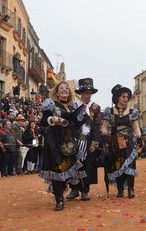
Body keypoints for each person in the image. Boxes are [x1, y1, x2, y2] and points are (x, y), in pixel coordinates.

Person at [39, 81, 87, 211]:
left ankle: (76, 189)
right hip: (54, 141)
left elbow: (77, 124)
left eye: (67, 88)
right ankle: (59, 200)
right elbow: (43, 122)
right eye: (61, 88)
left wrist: (81, 114)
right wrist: (53, 120)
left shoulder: (73, 107)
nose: (64, 90)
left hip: (69, 142)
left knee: (70, 168)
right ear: (57, 91)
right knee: (56, 170)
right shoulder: (51, 104)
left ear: (70, 92)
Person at [101, 84, 142, 199]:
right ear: (117, 98)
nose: (126, 99)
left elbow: (136, 127)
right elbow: (104, 126)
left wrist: (139, 137)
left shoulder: (132, 111)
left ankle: (131, 189)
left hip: (129, 142)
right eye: (123, 96)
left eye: (127, 96)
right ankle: (120, 189)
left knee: (129, 165)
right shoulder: (109, 111)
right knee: (117, 166)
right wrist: (104, 134)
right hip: (115, 143)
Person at [66, 78, 102, 201]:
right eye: (85, 93)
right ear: (81, 93)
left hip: (88, 141)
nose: (88, 95)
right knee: (74, 165)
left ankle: (85, 190)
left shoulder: (96, 108)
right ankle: (74, 189)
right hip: (75, 140)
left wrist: (94, 143)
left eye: (89, 93)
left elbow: (97, 127)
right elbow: (70, 125)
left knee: (87, 166)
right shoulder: (73, 107)